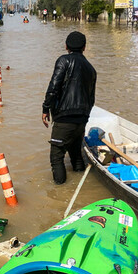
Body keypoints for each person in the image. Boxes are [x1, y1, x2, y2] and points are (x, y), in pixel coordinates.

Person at [42, 31, 96, 185]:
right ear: (84, 47)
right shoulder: (91, 69)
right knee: (76, 153)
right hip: (82, 118)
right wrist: (84, 116)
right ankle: (79, 182)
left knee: (56, 156)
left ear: (66, 46)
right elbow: (91, 98)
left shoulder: (63, 61)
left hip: (65, 117)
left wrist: (46, 109)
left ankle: (60, 191)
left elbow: (53, 87)